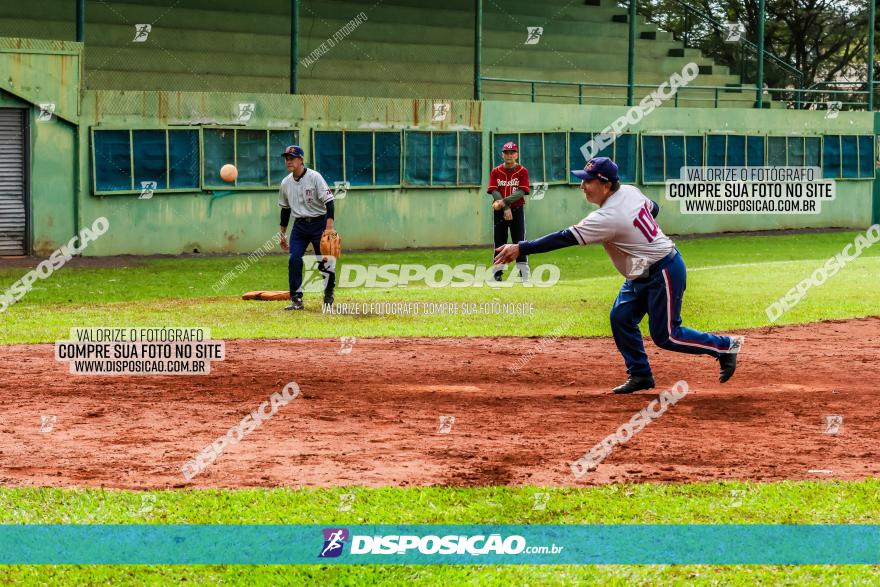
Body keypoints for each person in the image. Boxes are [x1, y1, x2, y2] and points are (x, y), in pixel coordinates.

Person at [494, 157, 743, 394]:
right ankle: (641, 374)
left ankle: (725, 347)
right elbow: (653, 209)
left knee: (666, 335)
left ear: (606, 185)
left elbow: (564, 237)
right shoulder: (630, 192)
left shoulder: (607, 216)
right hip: (641, 268)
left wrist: (521, 247)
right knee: (621, 317)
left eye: (589, 180)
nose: (583, 185)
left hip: (662, 268)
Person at [277, 145, 335, 310]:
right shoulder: (286, 183)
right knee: (294, 259)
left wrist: (329, 227)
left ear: (301, 160)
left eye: (292, 158)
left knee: (324, 261)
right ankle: (296, 299)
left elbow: (329, 202)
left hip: (319, 224)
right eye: (286, 158)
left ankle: (329, 292)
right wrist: (282, 233)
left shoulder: (315, 177)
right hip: (300, 226)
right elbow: (285, 209)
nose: (288, 161)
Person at [487, 142, 530, 282]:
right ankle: (497, 274)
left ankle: (524, 275)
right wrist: (505, 208)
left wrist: (504, 203)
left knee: (520, 242)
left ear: (516, 154)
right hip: (500, 212)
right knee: (499, 242)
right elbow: (494, 190)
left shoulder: (522, 171)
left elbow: (522, 191)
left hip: (517, 209)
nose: (509, 155)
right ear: (502, 155)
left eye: (512, 152)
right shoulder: (496, 171)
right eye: (506, 152)